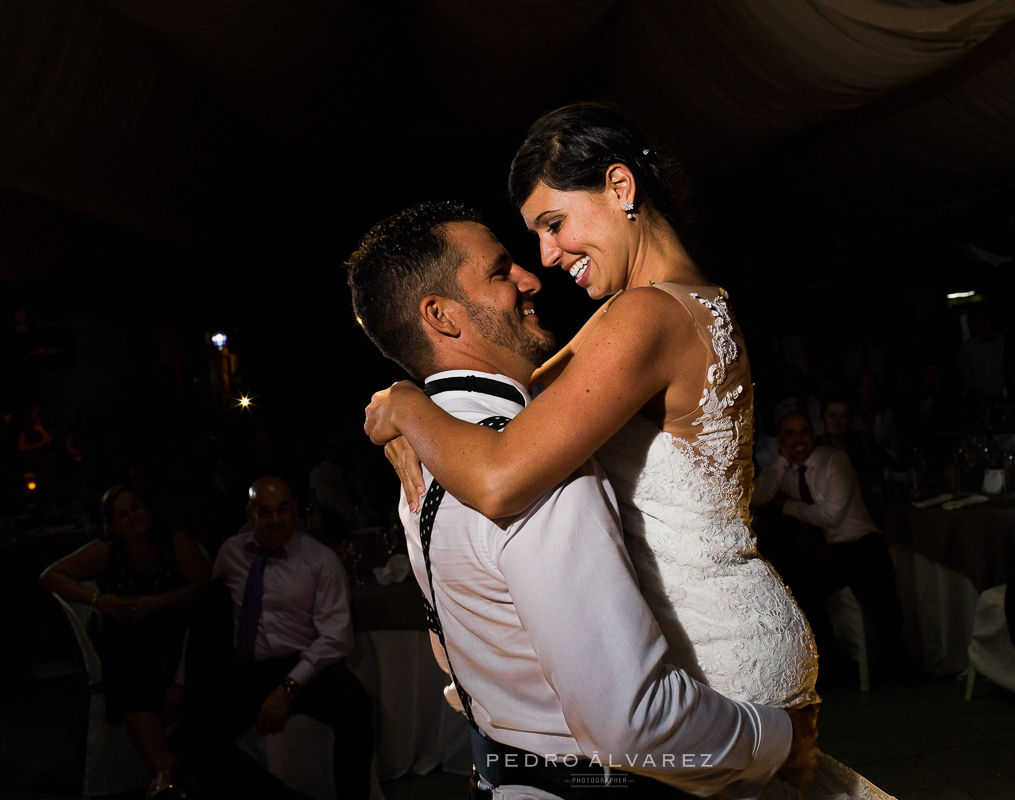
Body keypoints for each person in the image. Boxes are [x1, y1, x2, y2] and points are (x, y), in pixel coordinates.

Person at [363, 103, 891, 800]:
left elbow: (499, 475)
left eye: (554, 225)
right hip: (726, 626)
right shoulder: (673, 303)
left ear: (620, 188)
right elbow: (518, 389)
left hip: (712, 657)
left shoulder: (648, 315)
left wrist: (407, 404)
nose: (546, 259)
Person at [166, 476, 373, 800]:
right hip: (249, 668)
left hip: (307, 665)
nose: (276, 519)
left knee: (357, 712)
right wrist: (181, 678)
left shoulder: (320, 559)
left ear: (293, 509)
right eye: (265, 512)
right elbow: (206, 618)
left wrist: (288, 687)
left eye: (282, 510)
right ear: (250, 515)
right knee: (186, 739)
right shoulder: (231, 552)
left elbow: (336, 638)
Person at [40, 486, 210, 798]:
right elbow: (50, 575)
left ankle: (163, 781)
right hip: (129, 641)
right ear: (113, 525)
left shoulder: (174, 540)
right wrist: (99, 599)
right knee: (134, 675)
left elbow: (206, 587)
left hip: (178, 636)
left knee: (178, 681)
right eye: (123, 513)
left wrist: (156, 603)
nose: (133, 516)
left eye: (136, 507)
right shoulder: (109, 549)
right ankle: (167, 780)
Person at [751, 411, 914, 684]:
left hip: (861, 544)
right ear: (780, 440)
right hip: (826, 551)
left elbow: (831, 516)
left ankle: (902, 670)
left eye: (804, 431)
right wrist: (781, 461)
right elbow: (758, 495)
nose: (798, 439)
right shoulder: (783, 470)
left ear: (814, 435)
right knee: (798, 594)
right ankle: (835, 669)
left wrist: (786, 505)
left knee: (881, 602)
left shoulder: (834, 460)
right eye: (790, 434)